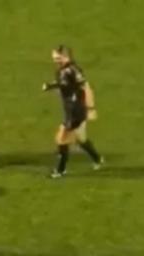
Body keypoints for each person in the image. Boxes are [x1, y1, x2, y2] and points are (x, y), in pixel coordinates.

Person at [42, 45, 104, 178]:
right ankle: (97, 159)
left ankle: (60, 170)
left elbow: (86, 88)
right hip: (71, 109)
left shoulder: (73, 70)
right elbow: (63, 84)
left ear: (66, 57)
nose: (55, 60)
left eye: (58, 58)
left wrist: (91, 108)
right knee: (81, 139)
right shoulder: (63, 70)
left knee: (61, 139)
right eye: (54, 58)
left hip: (76, 110)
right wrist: (51, 86)